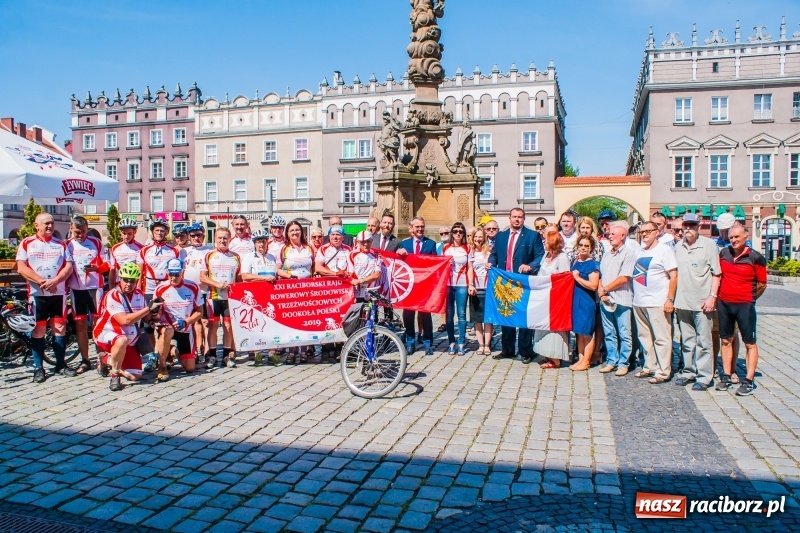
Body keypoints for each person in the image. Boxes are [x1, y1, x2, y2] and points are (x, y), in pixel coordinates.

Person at [16, 212, 76, 382]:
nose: (50, 226)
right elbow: (21, 267)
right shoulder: (27, 243)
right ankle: (38, 368)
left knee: (59, 328)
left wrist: (55, 281)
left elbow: (69, 267)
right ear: (36, 225)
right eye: (46, 223)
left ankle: (60, 365)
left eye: (52, 223)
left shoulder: (60, 244)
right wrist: (41, 281)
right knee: (39, 330)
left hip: (58, 293)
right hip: (37, 295)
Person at [716, 223, 767, 396]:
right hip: (724, 303)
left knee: (749, 343)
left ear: (746, 236)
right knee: (726, 340)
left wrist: (750, 298)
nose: (734, 240)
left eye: (737, 237)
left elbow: (762, 284)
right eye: (731, 237)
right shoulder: (724, 253)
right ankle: (726, 376)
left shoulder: (756, 257)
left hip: (745, 305)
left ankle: (749, 380)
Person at [488, 207, 545, 361]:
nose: (517, 219)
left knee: (523, 317)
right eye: (514, 217)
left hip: (523, 283)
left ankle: (525, 352)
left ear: (524, 219)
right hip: (504, 283)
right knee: (506, 315)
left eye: (520, 217)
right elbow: (494, 255)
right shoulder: (501, 236)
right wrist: (491, 262)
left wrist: (530, 266)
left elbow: (540, 255)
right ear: (510, 218)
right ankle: (507, 350)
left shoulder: (532, 236)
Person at [93, 263, 157, 391]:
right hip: (106, 332)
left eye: (132, 281)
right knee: (121, 340)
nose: (129, 283)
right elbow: (124, 321)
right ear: (120, 279)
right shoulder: (112, 295)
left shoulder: (139, 294)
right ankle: (115, 375)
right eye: (126, 280)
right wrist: (148, 308)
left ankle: (106, 358)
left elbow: (144, 315)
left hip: (130, 339)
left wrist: (151, 321)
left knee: (135, 376)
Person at [674, 213, 720, 391]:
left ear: (698, 227)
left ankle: (704, 376)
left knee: (704, 342)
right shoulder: (678, 246)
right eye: (685, 225)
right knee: (687, 341)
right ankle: (688, 372)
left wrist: (712, 297)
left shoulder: (709, 245)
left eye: (692, 225)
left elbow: (717, 274)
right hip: (682, 301)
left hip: (702, 302)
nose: (688, 229)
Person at [631, 221, 678, 383]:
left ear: (657, 232)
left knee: (661, 337)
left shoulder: (665, 250)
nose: (644, 234)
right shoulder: (640, 250)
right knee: (645, 336)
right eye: (642, 232)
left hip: (657, 301)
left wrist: (669, 299)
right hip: (639, 301)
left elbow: (673, 276)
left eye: (648, 231)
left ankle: (663, 371)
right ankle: (649, 366)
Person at [66, 216, 109, 375]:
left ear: (87, 228)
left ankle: (101, 358)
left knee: (98, 324)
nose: (81, 235)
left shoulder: (96, 242)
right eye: (77, 232)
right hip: (76, 290)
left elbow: (107, 264)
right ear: (71, 229)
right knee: (81, 325)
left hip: (94, 289)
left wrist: (96, 268)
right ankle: (85, 360)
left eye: (83, 231)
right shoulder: (67, 244)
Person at [137, 218, 181, 372]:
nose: (159, 233)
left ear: (166, 232)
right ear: (152, 232)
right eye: (157, 230)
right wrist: (138, 292)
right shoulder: (144, 250)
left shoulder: (173, 250)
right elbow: (139, 273)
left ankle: (165, 352)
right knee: (149, 324)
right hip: (149, 289)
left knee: (165, 322)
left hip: (166, 289)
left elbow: (177, 271)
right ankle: (152, 355)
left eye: (162, 230)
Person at [597, 221, 638, 375]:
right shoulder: (607, 254)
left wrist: (605, 289)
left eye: (613, 234)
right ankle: (611, 360)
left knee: (624, 333)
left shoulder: (628, 254)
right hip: (605, 299)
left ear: (623, 236)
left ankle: (623, 363)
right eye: (609, 234)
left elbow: (624, 278)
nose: (610, 236)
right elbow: (601, 275)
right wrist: (601, 291)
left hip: (622, 299)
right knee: (609, 332)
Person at [153, 259, 204, 381]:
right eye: (171, 274)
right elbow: (157, 315)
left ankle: (172, 350)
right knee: (167, 330)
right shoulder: (160, 288)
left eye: (177, 274)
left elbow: (200, 312)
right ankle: (162, 367)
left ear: (182, 273)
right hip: (167, 327)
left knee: (190, 368)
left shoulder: (193, 287)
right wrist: (155, 314)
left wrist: (187, 322)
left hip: (185, 329)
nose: (173, 277)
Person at [200, 227, 242, 369]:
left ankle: (226, 356)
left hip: (230, 298)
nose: (222, 240)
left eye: (225, 238)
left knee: (228, 327)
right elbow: (202, 277)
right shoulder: (209, 255)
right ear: (215, 239)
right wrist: (216, 284)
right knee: (212, 326)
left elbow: (239, 279)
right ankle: (212, 356)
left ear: (229, 239)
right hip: (213, 297)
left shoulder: (236, 257)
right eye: (220, 238)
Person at [277, 220, 315, 363]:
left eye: (297, 230)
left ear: (301, 232)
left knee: (305, 320)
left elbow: (314, 267)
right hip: (291, 289)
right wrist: (290, 276)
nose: (295, 232)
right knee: (292, 320)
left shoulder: (309, 248)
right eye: (292, 230)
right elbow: (277, 269)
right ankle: (292, 351)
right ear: (287, 233)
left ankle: (304, 350)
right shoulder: (284, 249)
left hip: (307, 289)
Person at [533, 225, 572, 368]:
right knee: (544, 326)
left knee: (555, 328)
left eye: (546, 241)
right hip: (543, 297)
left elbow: (565, 279)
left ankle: (555, 358)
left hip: (556, 298)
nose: (544, 243)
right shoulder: (546, 255)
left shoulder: (562, 257)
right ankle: (546, 353)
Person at [398, 216, 437, 355]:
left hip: (425, 286)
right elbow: (399, 264)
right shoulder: (404, 244)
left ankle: (428, 343)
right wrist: (398, 253)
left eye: (422, 226)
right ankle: (410, 343)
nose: (420, 229)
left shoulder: (431, 244)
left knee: (426, 314)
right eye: (417, 227)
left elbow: (436, 264)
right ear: (411, 228)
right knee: (408, 314)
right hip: (409, 286)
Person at [570, 235, 600, 371]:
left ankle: (586, 361)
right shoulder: (575, 262)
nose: (583, 248)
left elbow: (593, 285)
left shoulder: (593, 264)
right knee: (579, 332)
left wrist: (577, 278)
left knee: (587, 333)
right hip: (576, 301)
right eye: (581, 245)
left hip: (587, 302)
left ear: (591, 248)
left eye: (586, 246)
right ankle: (581, 359)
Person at [183, 222, 211, 363]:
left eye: (199, 235)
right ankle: (197, 348)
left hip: (205, 291)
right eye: (193, 235)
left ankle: (207, 351)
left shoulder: (209, 251)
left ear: (203, 236)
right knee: (194, 322)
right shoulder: (184, 251)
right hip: (189, 292)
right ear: (189, 237)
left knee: (205, 322)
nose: (196, 238)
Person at [442, 222, 470, 356]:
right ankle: (451, 342)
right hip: (448, 284)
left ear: (463, 234)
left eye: (461, 231)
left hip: (462, 284)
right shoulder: (445, 248)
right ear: (451, 233)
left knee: (462, 314)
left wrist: (471, 284)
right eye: (455, 231)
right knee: (449, 315)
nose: (458, 233)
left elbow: (470, 268)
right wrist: (446, 263)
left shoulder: (467, 248)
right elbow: (439, 266)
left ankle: (461, 343)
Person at [468, 227, 492, 355]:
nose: (478, 239)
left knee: (488, 318)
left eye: (480, 236)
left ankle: (487, 345)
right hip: (476, 288)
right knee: (477, 319)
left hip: (488, 287)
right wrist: (470, 284)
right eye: (476, 236)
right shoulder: (470, 252)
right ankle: (480, 344)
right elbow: (469, 269)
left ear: (484, 238)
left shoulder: (489, 251)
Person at [348, 231, 384, 301]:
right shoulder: (351, 254)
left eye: (368, 241)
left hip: (371, 292)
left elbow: (377, 275)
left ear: (372, 241)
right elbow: (350, 275)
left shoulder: (377, 255)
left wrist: (361, 281)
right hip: (356, 293)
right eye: (362, 242)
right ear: (358, 242)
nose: (366, 244)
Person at [108, 217, 143, 287]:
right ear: (120, 232)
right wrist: (111, 287)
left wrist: (138, 287)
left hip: (133, 284)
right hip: (119, 283)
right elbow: (112, 269)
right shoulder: (115, 248)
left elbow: (141, 270)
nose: (126, 236)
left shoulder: (141, 248)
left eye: (129, 233)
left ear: (135, 232)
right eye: (124, 233)